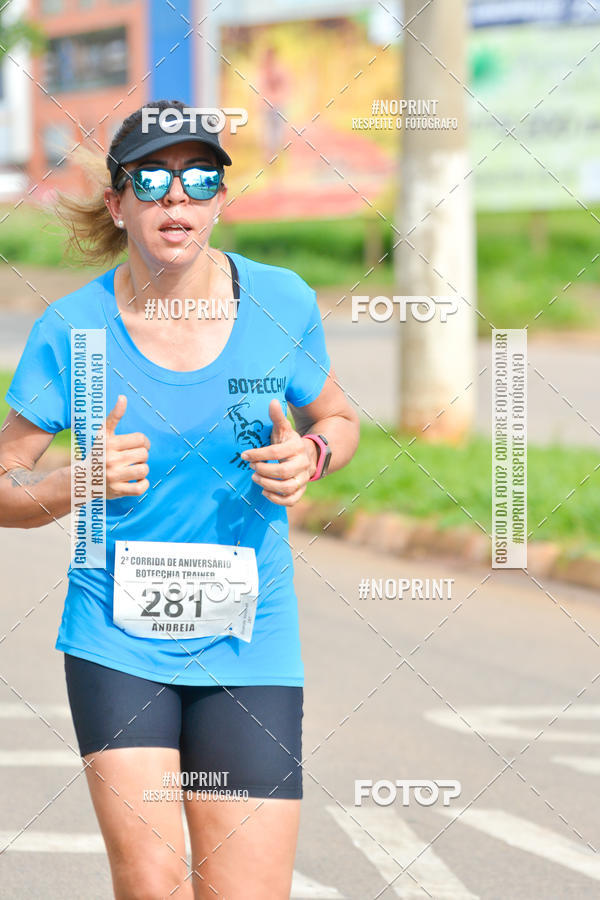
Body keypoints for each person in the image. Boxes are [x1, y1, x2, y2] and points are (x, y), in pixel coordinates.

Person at [0, 98, 359, 899]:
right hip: (117, 640)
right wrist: (73, 482)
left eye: (200, 179)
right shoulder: (74, 329)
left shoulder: (281, 300)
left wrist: (312, 452)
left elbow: (336, 415)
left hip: (249, 640)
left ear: (219, 201)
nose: (177, 197)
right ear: (117, 200)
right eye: (153, 179)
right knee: (156, 882)